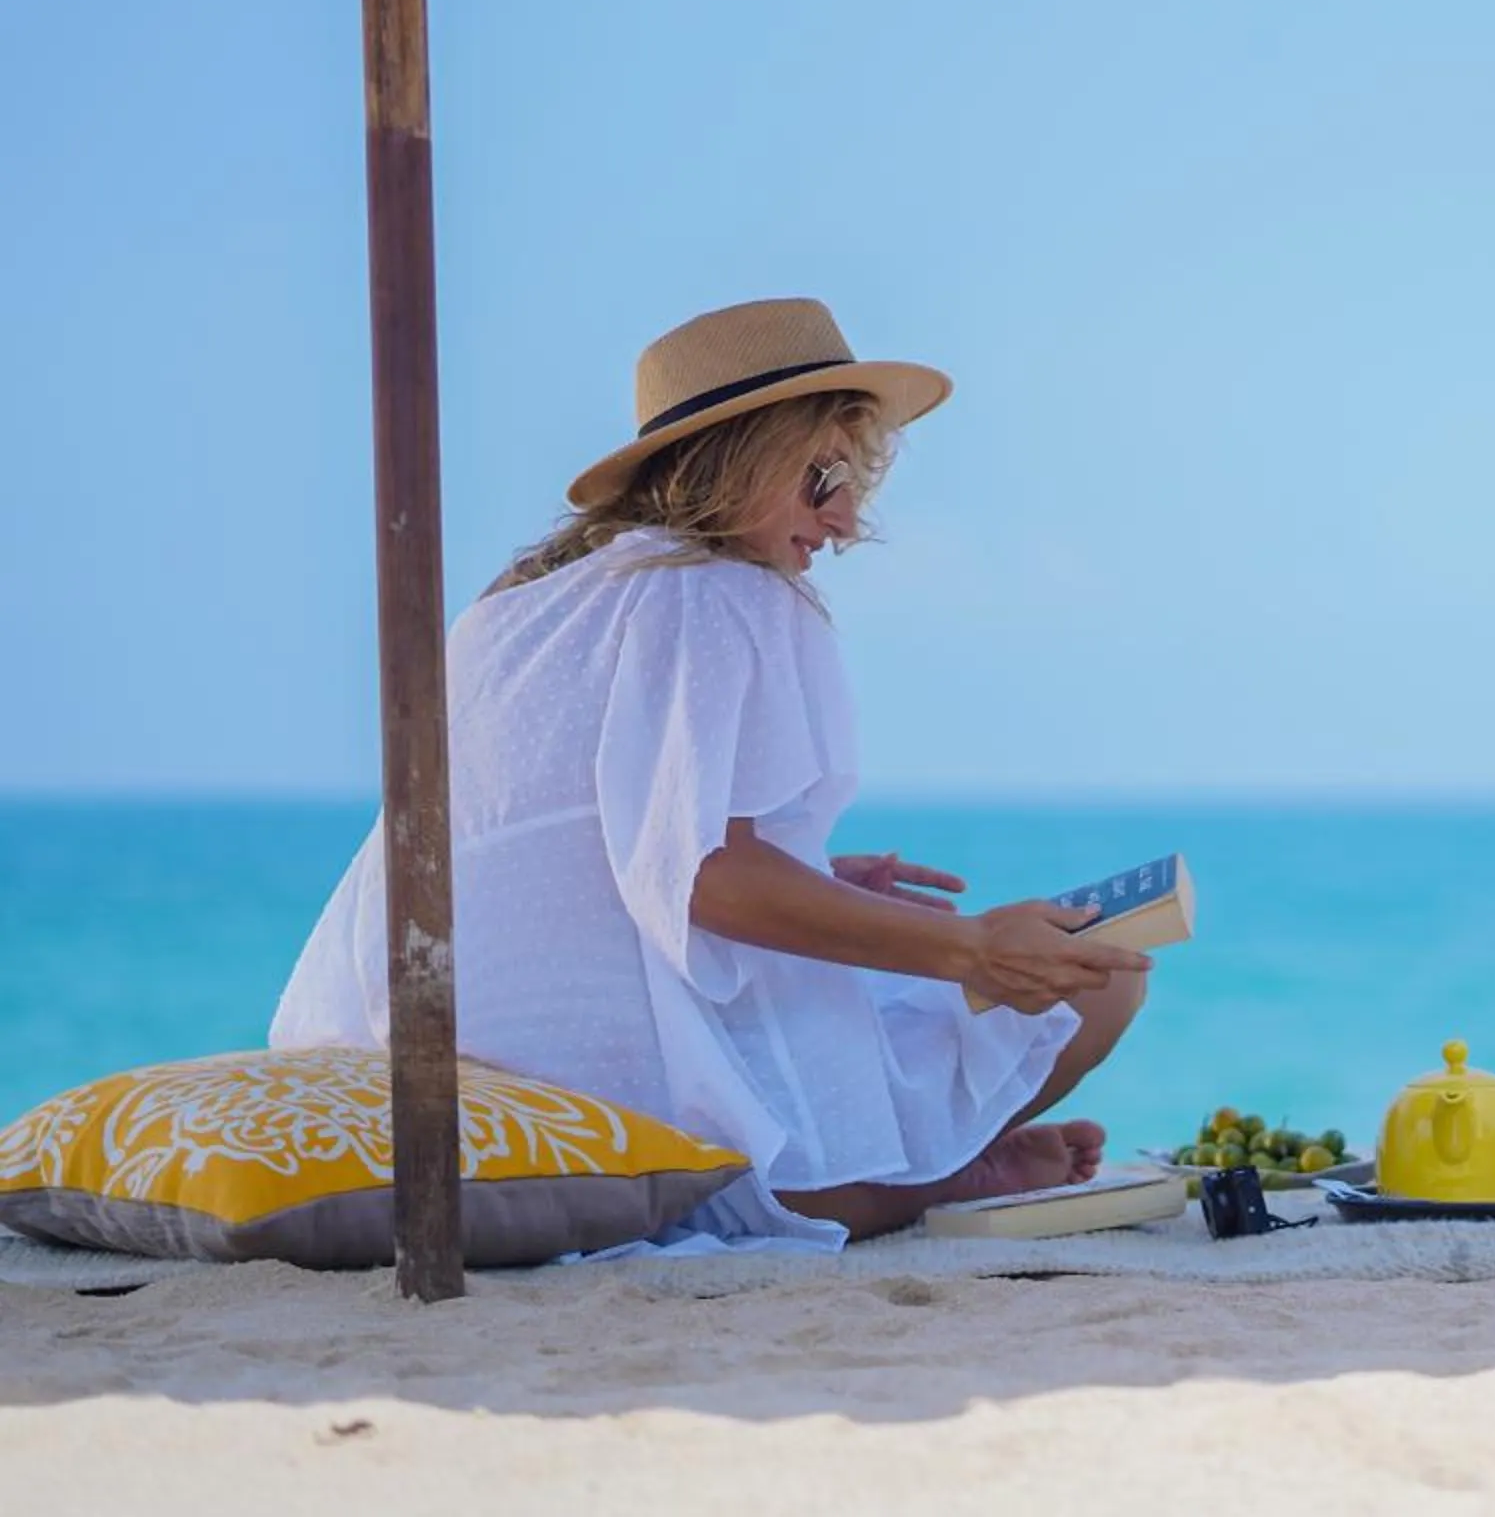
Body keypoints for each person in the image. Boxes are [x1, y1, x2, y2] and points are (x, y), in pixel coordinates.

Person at [272, 297, 1149, 1248]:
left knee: (887, 1002)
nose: (846, 522)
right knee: (1103, 980)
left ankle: (937, 1167)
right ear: (738, 457)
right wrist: (971, 947)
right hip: (613, 1074)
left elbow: (561, 847)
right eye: (823, 480)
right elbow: (706, 879)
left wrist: (807, 874)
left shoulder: (515, 611)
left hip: (424, 1032)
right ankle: (925, 1183)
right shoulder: (726, 592)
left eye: (854, 486)